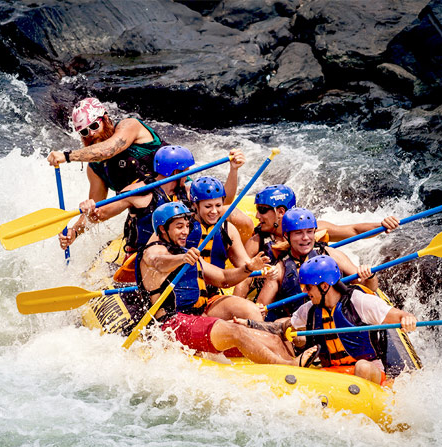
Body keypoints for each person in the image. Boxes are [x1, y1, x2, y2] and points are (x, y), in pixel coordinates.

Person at [130, 202, 317, 366]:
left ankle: (299, 374)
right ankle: (289, 366)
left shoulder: (186, 252)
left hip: (197, 317)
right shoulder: (153, 252)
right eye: (179, 227)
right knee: (237, 332)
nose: (185, 231)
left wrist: (247, 268)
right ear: (163, 230)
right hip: (170, 326)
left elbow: (223, 278)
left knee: (272, 340)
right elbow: (158, 262)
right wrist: (181, 258)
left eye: (187, 226)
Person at [47, 98, 166, 243]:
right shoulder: (95, 168)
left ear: (106, 119)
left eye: (94, 126)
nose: (90, 134)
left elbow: (107, 150)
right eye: (84, 131)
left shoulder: (130, 125)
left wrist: (66, 156)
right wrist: (74, 232)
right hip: (145, 218)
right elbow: (97, 213)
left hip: (174, 197)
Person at [291, 255, 417, 384]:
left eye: (308, 287)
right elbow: (286, 326)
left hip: (368, 371)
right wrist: (288, 334)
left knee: (362, 367)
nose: (305, 291)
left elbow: (401, 315)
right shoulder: (309, 309)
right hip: (333, 372)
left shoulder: (358, 301)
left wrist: (408, 319)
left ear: (324, 286)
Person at [60, 145, 194, 251]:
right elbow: (98, 215)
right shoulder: (138, 192)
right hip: (143, 257)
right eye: (187, 170)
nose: (188, 174)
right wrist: (78, 225)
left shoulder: (187, 192)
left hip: (177, 252)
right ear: (176, 172)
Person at [256, 207, 380, 321]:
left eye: (309, 232)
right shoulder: (280, 270)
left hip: (342, 321)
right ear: (287, 236)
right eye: (298, 233)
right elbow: (259, 310)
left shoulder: (331, 255)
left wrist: (370, 276)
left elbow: (369, 288)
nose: (305, 238)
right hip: (305, 330)